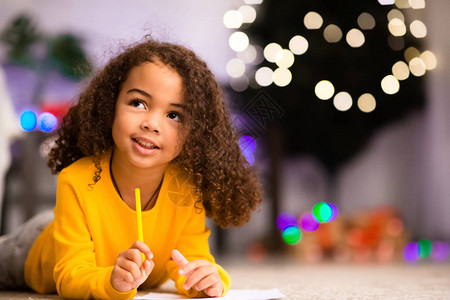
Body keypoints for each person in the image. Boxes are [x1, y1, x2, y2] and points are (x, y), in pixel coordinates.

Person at [0, 38, 262, 299]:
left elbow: (190, 263)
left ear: (195, 134)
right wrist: (112, 281)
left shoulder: (186, 189)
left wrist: (208, 278)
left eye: (174, 115)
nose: (151, 123)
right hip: (34, 248)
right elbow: (70, 275)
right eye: (138, 103)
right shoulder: (76, 180)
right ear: (109, 105)